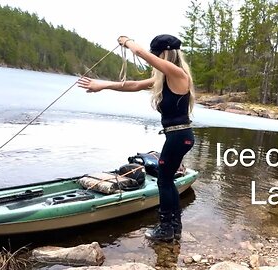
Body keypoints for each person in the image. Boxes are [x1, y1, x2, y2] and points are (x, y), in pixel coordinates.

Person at [77, 34, 195, 242]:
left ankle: (167, 229)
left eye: (156, 55)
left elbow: (140, 53)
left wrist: (126, 41)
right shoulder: (166, 78)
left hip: (178, 136)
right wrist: (103, 85)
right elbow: (134, 85)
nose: (154, 58)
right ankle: (174, 227)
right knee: (167, 181)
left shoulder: (177, 73)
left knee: (164, 181)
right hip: (178, 136)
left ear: (164, 54)